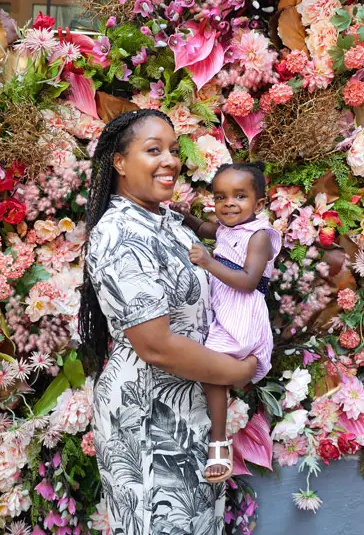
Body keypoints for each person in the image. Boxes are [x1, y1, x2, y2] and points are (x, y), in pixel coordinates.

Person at [79, 108, 258, 535]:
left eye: (174, 150)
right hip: (147, 421)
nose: (170, 161)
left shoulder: (169, 223)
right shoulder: (122, 233)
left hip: (188, 408)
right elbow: (155, 345)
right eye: (153, 150)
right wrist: (237, 370)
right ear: (120, 163)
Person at [172, 162, 281, 482]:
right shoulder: (225, 227)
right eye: (220, 198)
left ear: (258, 204)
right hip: (222, 310)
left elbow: (248, 281)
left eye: (240, 196)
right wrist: (185, 216)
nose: (229, 203)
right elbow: (206, 229)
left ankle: (218, 442)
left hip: (242, 313)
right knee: (213, 374)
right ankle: (218, 439)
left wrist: (207, 263)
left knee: (214, 373)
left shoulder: (258, 235)